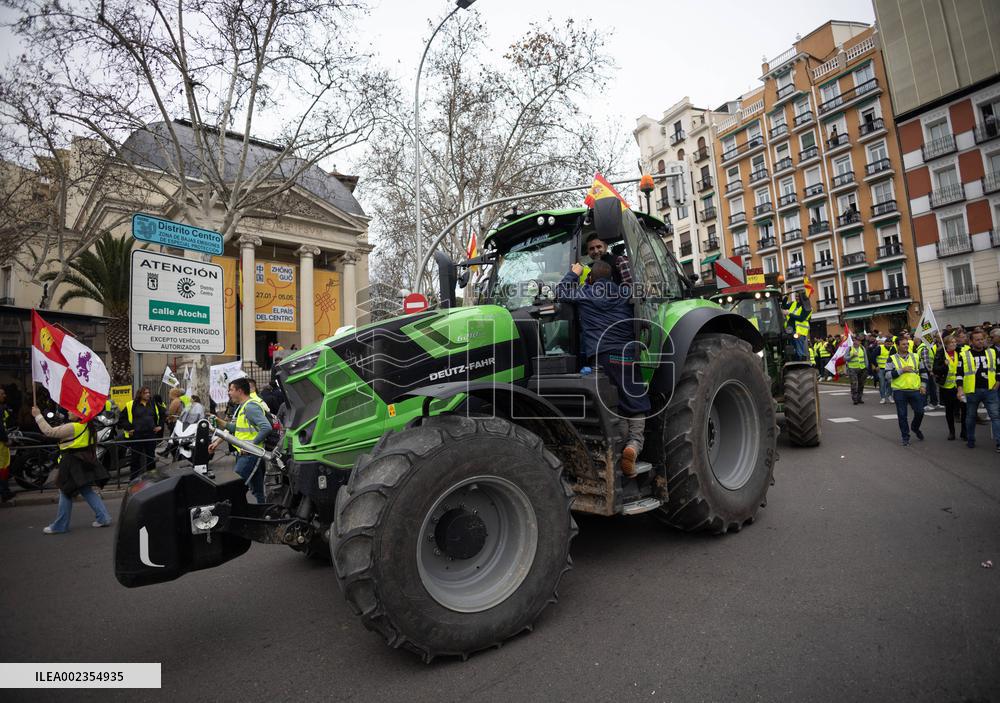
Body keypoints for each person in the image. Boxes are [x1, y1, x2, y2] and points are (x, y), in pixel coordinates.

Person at [558, 260, 650, 477]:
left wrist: (574, 273)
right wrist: (625, 265)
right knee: (635, 402)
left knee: (613, 404)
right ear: (611, 277)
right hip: (625, 355)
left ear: (591, 278)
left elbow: (560, 292)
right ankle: (634, 445)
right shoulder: (624, 292)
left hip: (600, 359)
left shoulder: (585, 293)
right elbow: (642, 291)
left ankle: (621, 449)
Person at [32, 405, 111, 533]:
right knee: (86, 490)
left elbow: (49, 432)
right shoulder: (88, 426)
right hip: (84, 461)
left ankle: (60, 525)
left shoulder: (73, 427)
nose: (68, 412)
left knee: (65, 490)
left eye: (71, 410)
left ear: (78, 414)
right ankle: (103, 518)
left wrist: (38, 416)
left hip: (71, 463)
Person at [210, 378, 271, 503]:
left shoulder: (250, 407)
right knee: (258, 490)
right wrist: (219, 421)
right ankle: (264, 512)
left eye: (231, 390)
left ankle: (232, 512)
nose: (229, 393)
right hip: (248, 453)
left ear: (240, 391)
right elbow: (236, 428)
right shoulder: (242, 407)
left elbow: (266, 427)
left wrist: (251, 446)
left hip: (249, 455)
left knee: (234, 487)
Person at [955, 329, 1000, 451]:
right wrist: (960, 389)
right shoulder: (964, 355)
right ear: (971, 341)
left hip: (990, 390)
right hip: (972, 391)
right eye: (977, 340)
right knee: (970, 417)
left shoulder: (992, 352)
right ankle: (970, 439)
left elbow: (998, 369)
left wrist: (997, 383)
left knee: (995, 416)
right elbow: (959, 374)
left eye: (982, 339)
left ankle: (999, 443)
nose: (980, 341)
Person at [884, 333, 927, 446]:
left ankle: (915, 427)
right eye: (903, 344)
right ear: (897, 346)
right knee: (902, 415)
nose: (906, 346)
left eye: (907, 344)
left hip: (915, 390)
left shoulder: (916, 356)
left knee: (920, 412)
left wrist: (923, 386)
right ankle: (905, 437)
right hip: (899, 391)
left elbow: (923, 372)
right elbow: (887, 375)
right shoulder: (892, 358)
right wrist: (901, 370)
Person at [121, 387, 164, 479]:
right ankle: (133, 479)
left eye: (148, 392)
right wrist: (129, 428)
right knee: (135, 458)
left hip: (150, 435)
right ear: (140, 394)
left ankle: (152, 478)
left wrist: (160, 426)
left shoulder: (153, 404)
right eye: (145, 393)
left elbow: (162, 413)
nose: (148, 394)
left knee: (151, 457)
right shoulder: (131, 404)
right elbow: (122, 419)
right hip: (137, 436)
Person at [933, 335, 963, 440]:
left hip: (960, 386)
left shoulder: (959, 352)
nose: (954, 344)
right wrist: (944, 365)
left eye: (955, 342)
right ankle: (952, 432)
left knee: (963, 409)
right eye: (951, 342)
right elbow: (935, 369)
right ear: (946, 344)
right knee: (949, 410)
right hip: (947, 386)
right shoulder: (941, 354)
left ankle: (964, 432)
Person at [783, 292, 811, 360]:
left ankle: (801, 359)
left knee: (799, 347)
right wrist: (786, 297)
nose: (796, 298)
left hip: (799, 330)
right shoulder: (793, 303)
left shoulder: (807, 307)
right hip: (790, 329)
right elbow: (783, 306)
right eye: (796, 296)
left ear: (802, 298)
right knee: (791, 346)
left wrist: (789, 314)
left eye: (798, 296)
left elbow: (801, 318)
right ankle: (793, 359)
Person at [916, 336, 939, 410]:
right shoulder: (925, 348)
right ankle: (924, 404)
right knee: (927, 387)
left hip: (926, 369)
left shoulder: (926, 347)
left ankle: (934, 403)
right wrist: (930, 370)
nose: (933, 340)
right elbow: (926, 361)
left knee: (932, 387)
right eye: (931, 339)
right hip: (926, 370)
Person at [0, 387, 13, 502]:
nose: (4, 396)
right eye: (2, 394)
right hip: (1, 444)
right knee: (3, 466)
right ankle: (5, 492)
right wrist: (5, 439)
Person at [847, 336, 869, 404]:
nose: (855, 342)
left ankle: (859, 398)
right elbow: (845, 358)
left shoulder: (862, 348)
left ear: (860, 342)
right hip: (852, 369)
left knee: (861, 384)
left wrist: (866, 367)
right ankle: (855, 399)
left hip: (862, 368)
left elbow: (865, 358)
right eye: (854, 340)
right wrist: (852, 356)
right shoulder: (849, 348)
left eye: (857, 341)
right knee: (854, 384)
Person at [875, 336, 894, 403]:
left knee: (890, 383)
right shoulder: (879, 348)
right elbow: (872, 356)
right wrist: (876, 366)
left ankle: (889, 396)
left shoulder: (893, 349)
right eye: (887, 343)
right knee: (882, 384)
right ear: (884, 343)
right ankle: (883, 398)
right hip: (881, 369)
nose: (888, 345)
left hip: (889, 369)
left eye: (890, 344)